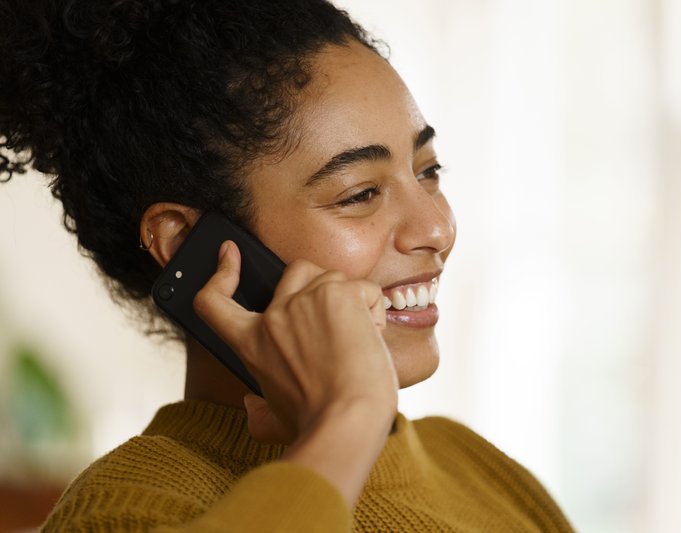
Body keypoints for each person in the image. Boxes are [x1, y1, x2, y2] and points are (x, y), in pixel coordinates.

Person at [0, 0, 575, 531]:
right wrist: (348, 422)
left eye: (427, 171)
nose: (438, 229)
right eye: (360, 194)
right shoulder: (121, 511)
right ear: (187, 245)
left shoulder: (477, 471)